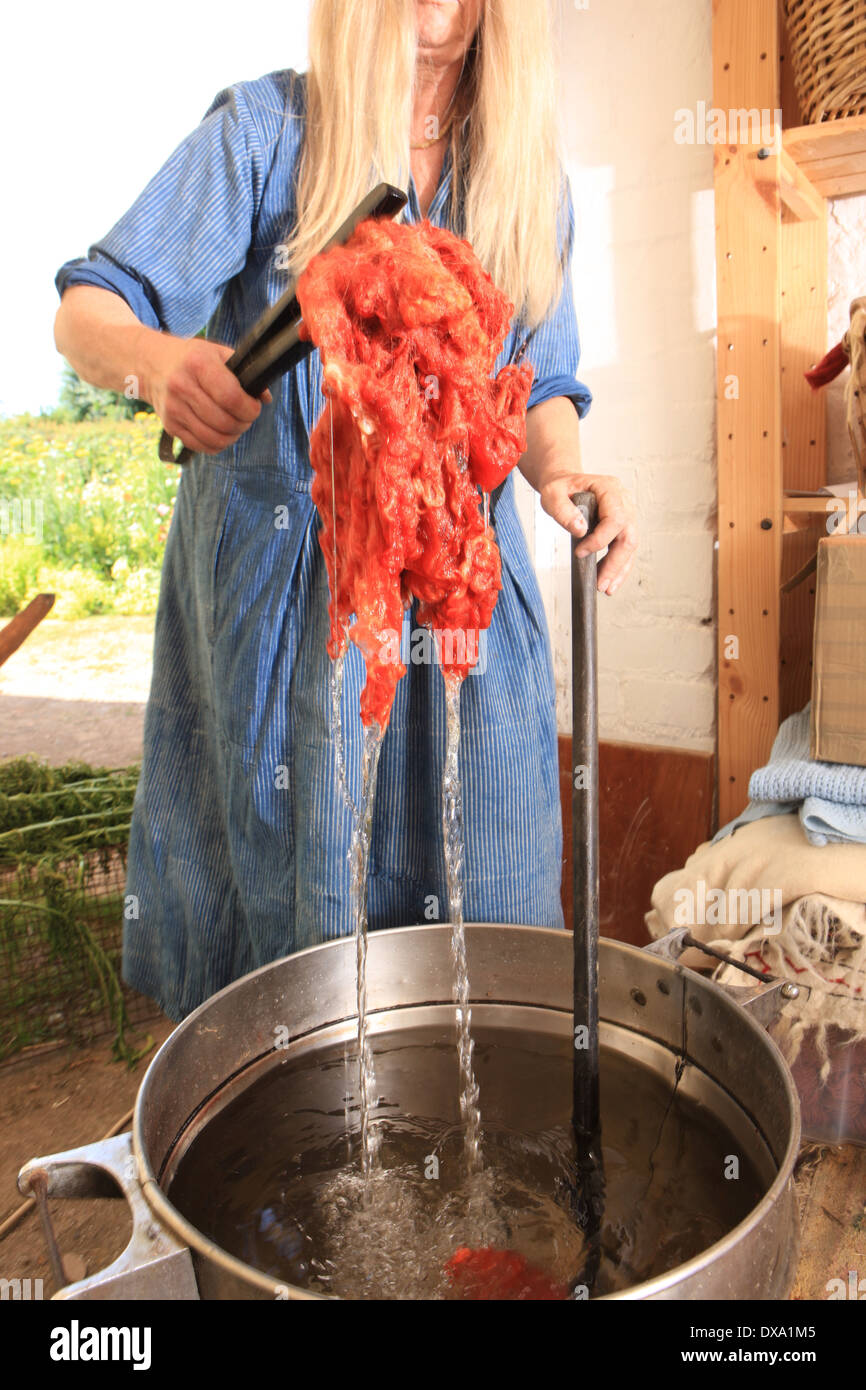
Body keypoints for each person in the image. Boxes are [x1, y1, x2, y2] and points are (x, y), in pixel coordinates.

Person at [53, 0, 637, 1022]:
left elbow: (539, 379)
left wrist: (563, 475)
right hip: (288, 610)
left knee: (484, 937)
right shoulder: (263, 133)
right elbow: (89, 308)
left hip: (458, 599)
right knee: (293, 955)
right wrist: (157, 365)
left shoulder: (523, 181)